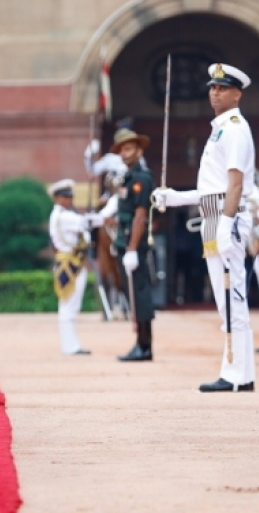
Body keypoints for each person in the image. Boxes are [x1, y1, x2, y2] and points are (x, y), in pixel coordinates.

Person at [154, 63, 257, 392]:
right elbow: (211, 188)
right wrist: (174, 198)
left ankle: (236, 375)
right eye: (212, 87)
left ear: (237, 93)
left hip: (228, 218)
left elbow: (235, 184)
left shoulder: (236, 127)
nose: (215, 92)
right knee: (225, 301)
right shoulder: (220, 129)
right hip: (213, 218)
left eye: (223, 88)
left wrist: (226, 225)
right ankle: (239, 372)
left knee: (233, 299)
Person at [110, 128, 156, 361]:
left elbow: (140, 216)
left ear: (139, 151)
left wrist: (131, 249)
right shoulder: (127, 178)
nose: (125, 153)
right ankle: (141, 344)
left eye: (129, 148)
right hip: (124, 242)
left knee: (140, 294)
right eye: (122, 150)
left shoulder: (141, 178)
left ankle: (145, 345)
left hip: (133, 244)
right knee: (133, 295)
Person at [48, 178, 103, 355]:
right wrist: (100, 214)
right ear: (57, 198)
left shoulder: (62, 215)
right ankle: (70, 347)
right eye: (65, 197)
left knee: (68, 308)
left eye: (70, 196)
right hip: (70, 264)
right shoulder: (63, 216)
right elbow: (86, 223)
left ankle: (71, 346)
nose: (69, 200)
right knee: (68, 308)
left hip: (70, 262)